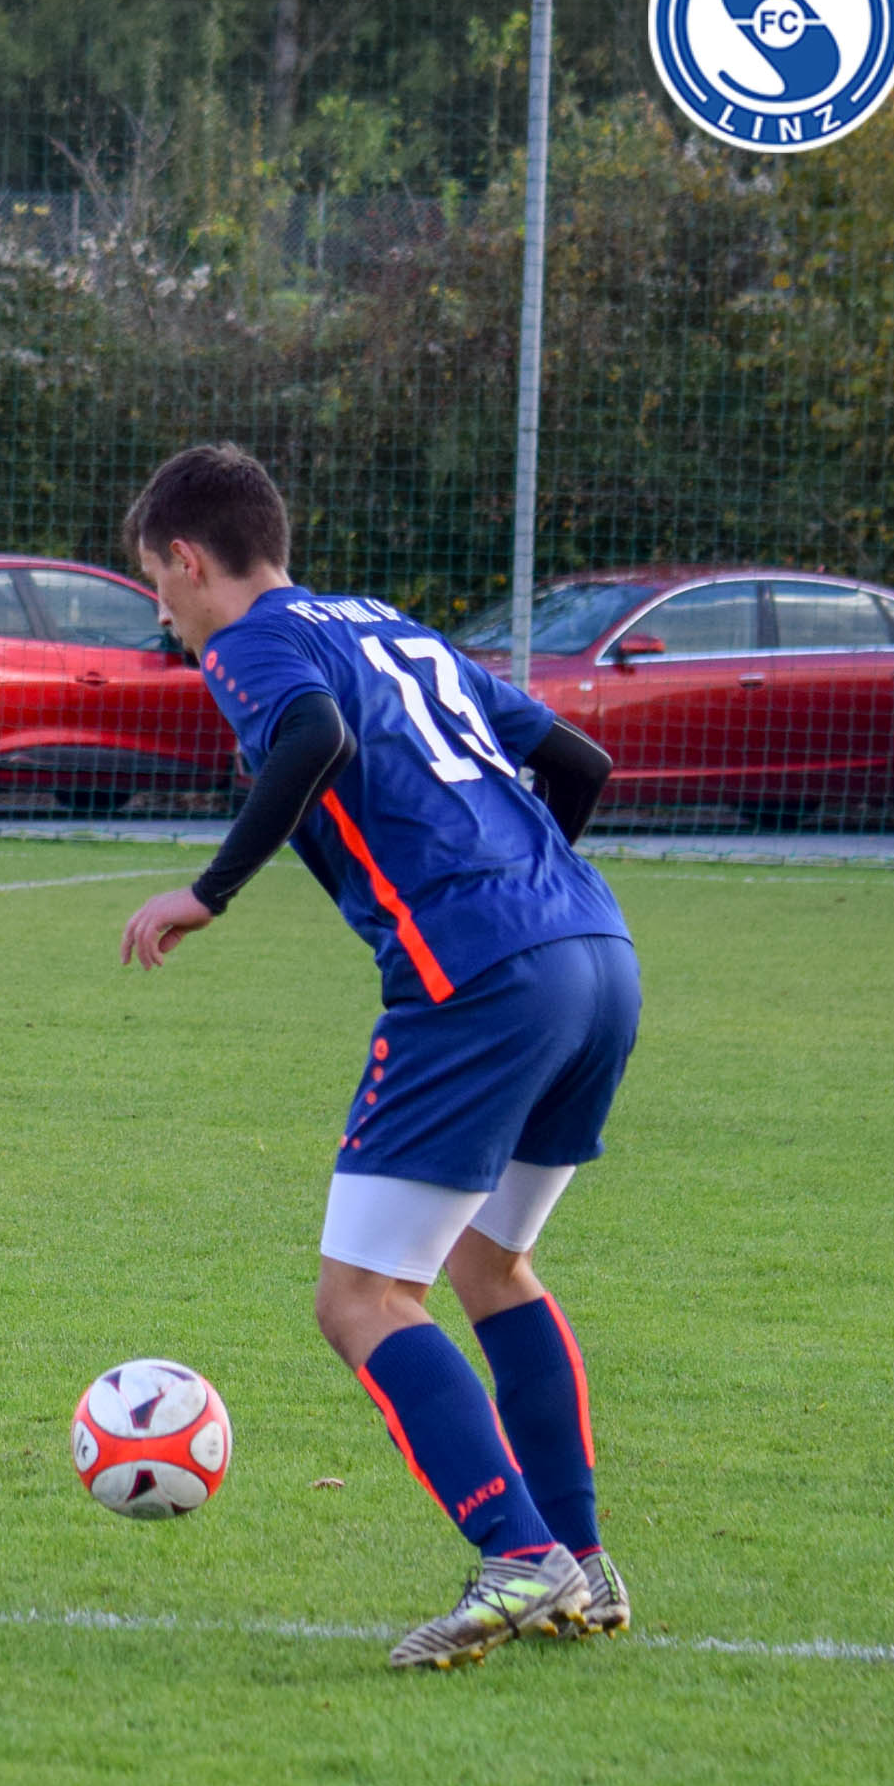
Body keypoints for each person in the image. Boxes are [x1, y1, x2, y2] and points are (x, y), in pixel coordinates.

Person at [115, 443, 635, 1671]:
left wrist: (207, 891)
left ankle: (518, 1557)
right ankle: (581, 1563)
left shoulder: (251, 646)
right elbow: (577, 763)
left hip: (481, 978)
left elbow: (310, 735)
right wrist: (520, 893)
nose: (162, 614)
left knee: (357, 1299)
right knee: (489, 1264)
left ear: (188, 560)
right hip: (595, 952)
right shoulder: (392, 627)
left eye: (154, 583)